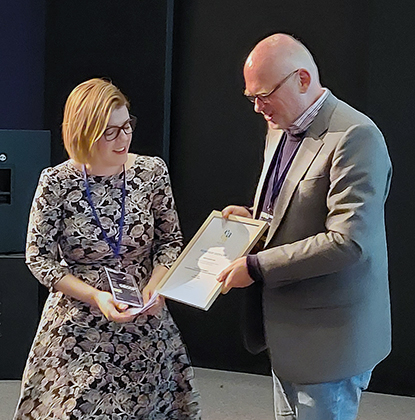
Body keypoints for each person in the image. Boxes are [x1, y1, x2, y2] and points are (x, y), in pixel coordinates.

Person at [217, 34, 392, 420]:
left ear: (301, 79)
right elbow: (289, 206)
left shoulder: (355, 136)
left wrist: (257, 266)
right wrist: (254, 218)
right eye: (251, 98)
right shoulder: (279, 125)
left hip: (329, 339)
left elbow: (348, 242)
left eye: (264, 94)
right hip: (286, 333)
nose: (258, 107)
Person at [13, 78, 201, 420]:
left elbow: (171, 242)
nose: (124, 138)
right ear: (84, 132)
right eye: (110, 131)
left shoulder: (151, 172)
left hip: (144, 317)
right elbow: (38, 257)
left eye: (127, 126)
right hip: (79, 323)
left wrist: (157, 286)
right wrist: (95, 297)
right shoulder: (56, 182)